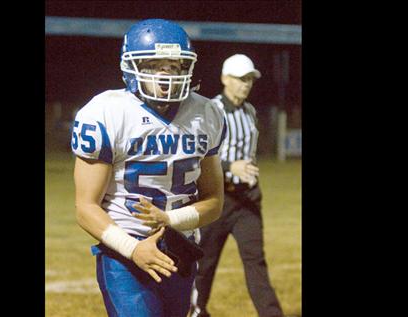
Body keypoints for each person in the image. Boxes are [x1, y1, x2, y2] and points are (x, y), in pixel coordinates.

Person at [71, 19, 227, 317]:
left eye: (175, 64)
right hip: (124, 253)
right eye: (156, 64)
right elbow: (85, 207)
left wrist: (170, 218)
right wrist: (132, 248)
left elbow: (214, 201)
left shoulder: (207, 113)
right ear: (133, 67)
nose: (167, 74)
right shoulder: (106, 112)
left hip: (179, 248)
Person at [190, 54, 285, 317]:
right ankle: (198, 311)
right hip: (216, 200)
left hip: (247, 201)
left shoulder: (251, 112)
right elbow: (197, 156)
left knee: (256, 263)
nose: (246, 84)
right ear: (224, 79)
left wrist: (248, 175)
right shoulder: (209, 111)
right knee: (204, 264)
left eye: (249, 79)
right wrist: (231, 167)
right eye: (241, 79)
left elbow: (248, 154)